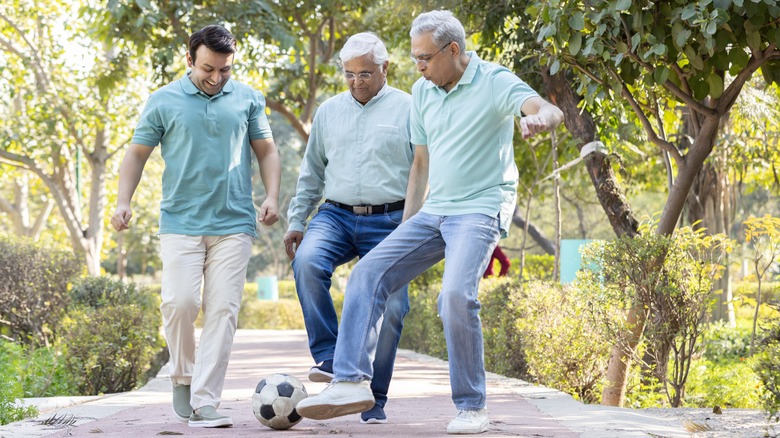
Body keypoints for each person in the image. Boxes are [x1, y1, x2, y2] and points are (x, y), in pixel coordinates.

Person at [296, 10, 563, 435]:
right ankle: (349, 382)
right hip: (434, 210)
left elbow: (546, 109)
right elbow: (420, 164)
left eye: (424, 58)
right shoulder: (423, 92)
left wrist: (537, 119)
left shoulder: (494, 81)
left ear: (453, 50)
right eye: (415, 58)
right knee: (367, 274)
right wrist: (404, 229)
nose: (417, 67)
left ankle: (472, 406)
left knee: (455, 295)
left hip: (479, 209)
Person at [110, 24, 281, 428]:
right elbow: (136, 155)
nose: (216, 77)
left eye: (225, 70)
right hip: (180, 220)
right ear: (190, 60)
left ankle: (206, 401)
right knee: (180, 302)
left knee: (222, 310)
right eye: (208, 68)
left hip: (234, 220)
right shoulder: (163, 100)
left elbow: (267, 151)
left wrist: (272, 195)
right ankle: (182, 376)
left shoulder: (248, 99)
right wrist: (122, 202)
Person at [283, 32, 413, 424]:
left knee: (392, 307)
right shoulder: (328, 111)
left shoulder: (410, 108)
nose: (357, 81)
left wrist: (416, 223)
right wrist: (296, 219)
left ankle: (373, 397)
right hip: (336, 215)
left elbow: (425, 171)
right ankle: (330, 354)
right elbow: (311, 173)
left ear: (385, 68)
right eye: (349, 73)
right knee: (306, 262)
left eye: (366, 73)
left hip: (392, 219)